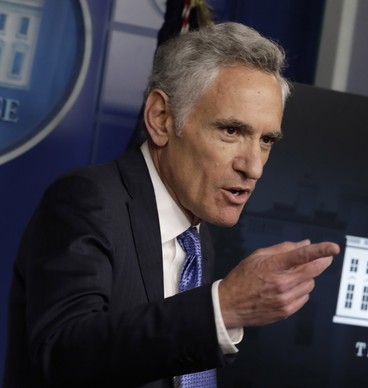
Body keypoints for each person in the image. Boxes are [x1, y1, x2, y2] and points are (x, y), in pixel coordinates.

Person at [3, 22, 340, 387]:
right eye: (231, 131)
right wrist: (222, 307)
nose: (253, 166)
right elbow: (63, 354)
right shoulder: (87, 201)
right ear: (162, 119)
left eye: (266, 140)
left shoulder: (196, 237)